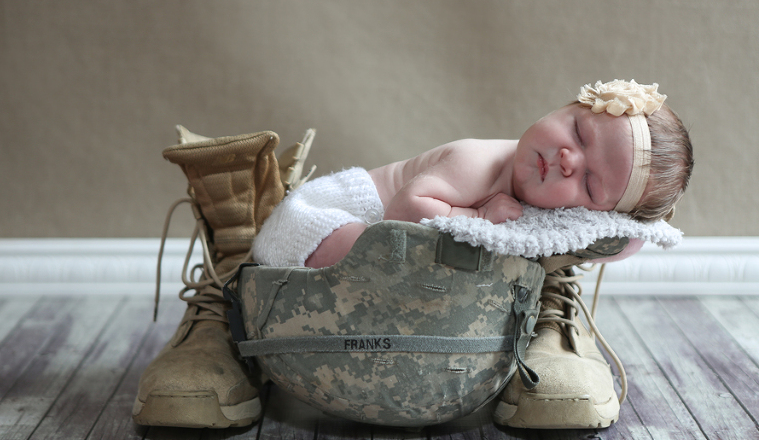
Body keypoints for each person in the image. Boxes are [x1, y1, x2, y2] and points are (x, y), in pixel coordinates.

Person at [253, 79, 693, 268]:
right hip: (320, 217)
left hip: (352, 220)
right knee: (375, 251)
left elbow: (612, 240)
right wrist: (479, 219)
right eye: (578, 131)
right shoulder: (476, 163)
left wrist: (628, 234)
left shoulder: (546, 203)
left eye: (590, 184)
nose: (567, 160)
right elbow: (403, 212)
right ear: (567, 106)